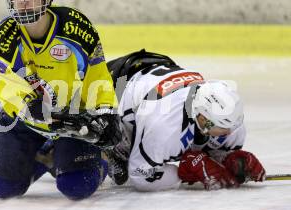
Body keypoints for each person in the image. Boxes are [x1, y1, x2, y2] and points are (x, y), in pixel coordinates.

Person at [0, 0, 120, 200]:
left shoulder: (76, 28)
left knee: (77, 187)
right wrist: (28, 103)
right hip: (25, 120)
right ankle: (45, 157)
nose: (24, 2)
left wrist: (106, 110)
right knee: (1, 188)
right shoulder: (2, 39)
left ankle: (101, 159)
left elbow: (97, 75)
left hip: (72, 120)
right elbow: (4, 84)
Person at [104, 61, 266, 191]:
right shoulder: (163, 126)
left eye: (229, 128)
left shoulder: (228, 122)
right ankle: (110, 151)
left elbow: (216, 142)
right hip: (115, 87)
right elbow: (141, 175)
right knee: (97, 178)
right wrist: (182, 173)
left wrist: (227, 159)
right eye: (218, 128)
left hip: (153, 72)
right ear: (201, 116)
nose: (225, 134)